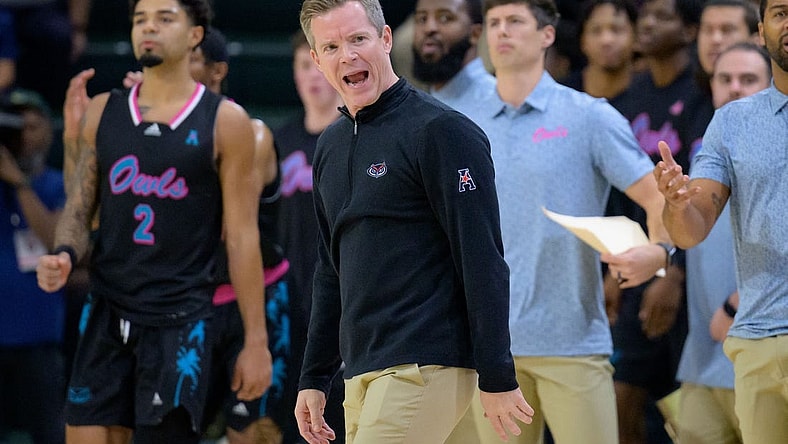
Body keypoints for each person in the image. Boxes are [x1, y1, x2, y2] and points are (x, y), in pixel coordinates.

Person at [295, 1, 534, 443]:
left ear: (386, 39)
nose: (346, 55)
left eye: (358, 39)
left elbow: (482, 258)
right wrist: (314, 375)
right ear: (316, 59)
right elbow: (331, 271)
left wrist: (498, 373)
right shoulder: (329, 146)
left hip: (426, 362)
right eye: (330, 46)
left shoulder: (441, 131)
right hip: (361, 370)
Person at [36, 0, 271, 443]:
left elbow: (242, 238)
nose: (149, 28)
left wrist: (255, 341)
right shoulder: (104, 111)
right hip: (108, 309)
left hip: (179, 319)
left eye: (165, 18)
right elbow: (80, 206)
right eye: (141, 19)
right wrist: (64, 254)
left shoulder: (226, 122)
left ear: (195, 34)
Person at [458, 0, 674, 443]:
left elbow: (658, 198)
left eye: (515, 21)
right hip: (489, 348)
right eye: (494, 23)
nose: (501, 32)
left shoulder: (587, 116)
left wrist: (658, 251)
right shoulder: (460, 122)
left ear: (547, 35)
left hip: (571, 341)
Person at [654, 0, 788, 438]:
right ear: (761, 30)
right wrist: (676, 204)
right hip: (758, 340)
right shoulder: (730, 122)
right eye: (781, 12)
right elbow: (692, 229)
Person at [676, 41, 771, 444]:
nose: (734, 88)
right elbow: (684, 234)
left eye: (748, 79)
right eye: (724, 78)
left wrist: (737, 303)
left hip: (764, 351)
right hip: (701, 360)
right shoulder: (706, 149)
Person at [274, 29, 345, 444]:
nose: (313, 76)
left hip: (337, 288)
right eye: (304, 65)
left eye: (318, 65)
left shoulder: (353, 137)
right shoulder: (278, 140)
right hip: (288, 292)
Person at [0, 88, 65, 444]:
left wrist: (19, 183)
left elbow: (55, 239)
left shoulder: (56, 184)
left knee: (50, 435)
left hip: (37, 338)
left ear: (49, 132)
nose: (23, 136)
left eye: (33, 127)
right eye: (15, 127)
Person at [410, 0, 494, 112]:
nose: (429, 28)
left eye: (444, 18)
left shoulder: (499, 101)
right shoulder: (416, 103)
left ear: (475, 33)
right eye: (422, 19)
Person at [560, 0, 638, 107]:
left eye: (616, 30)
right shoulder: (563, 96)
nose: (606, 40)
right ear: (582, 41)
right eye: (596, 31)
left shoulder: (651, 94)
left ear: (636, 37)